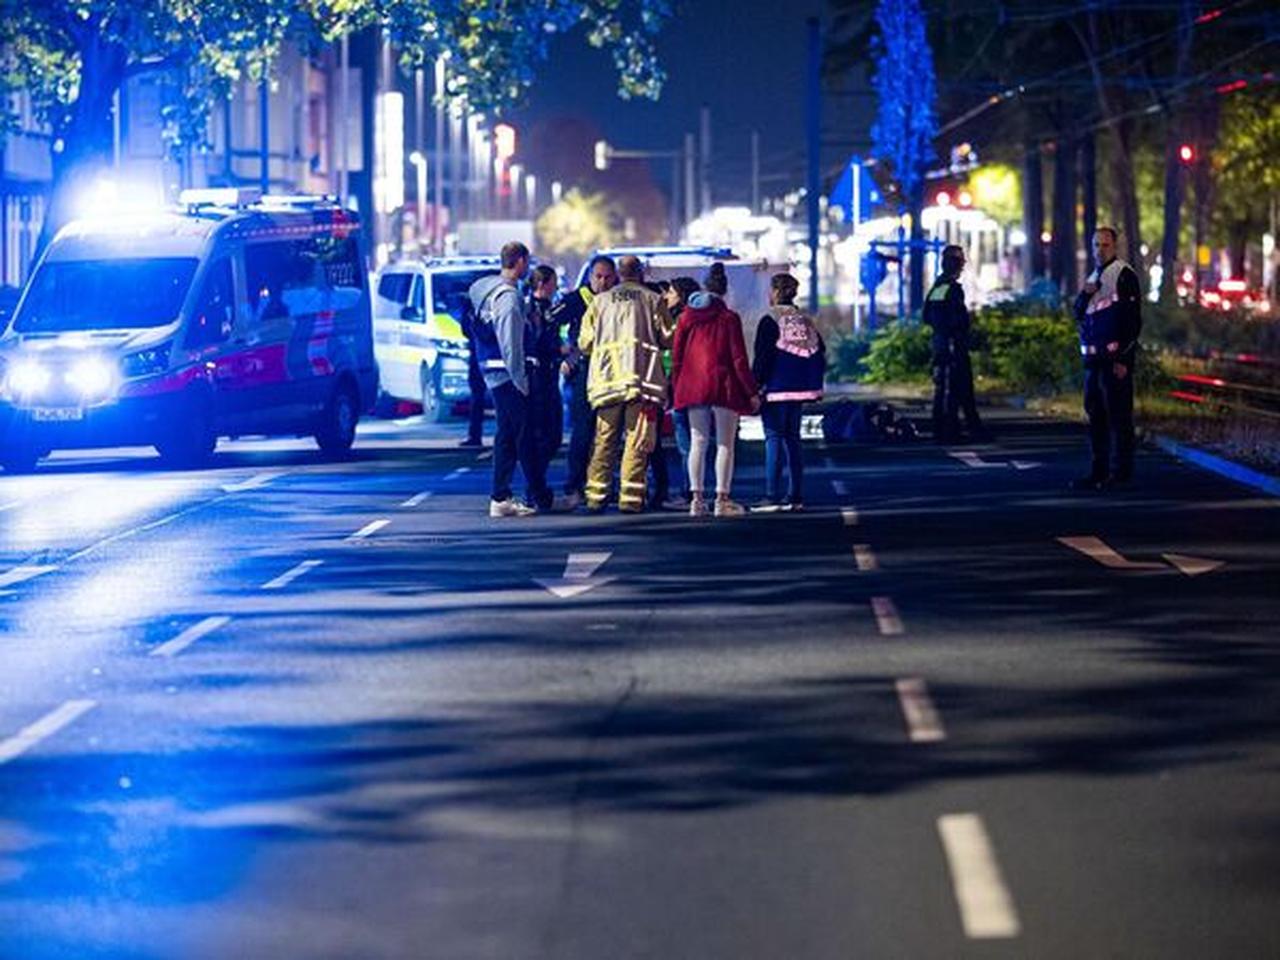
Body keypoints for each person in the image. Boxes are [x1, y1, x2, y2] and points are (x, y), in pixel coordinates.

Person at [578, 255, 675, 513]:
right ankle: (630, 500)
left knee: (604, 441)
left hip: (607, 383)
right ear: (640, 273)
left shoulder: (599, 302)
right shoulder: (653, 300)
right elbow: (668, 339)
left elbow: (584, 343)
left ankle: (596, 497)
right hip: (641, 384)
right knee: (637, 441)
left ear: (619, 274)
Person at [468, 241, 551, 517]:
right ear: (520, 262)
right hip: (507, 377)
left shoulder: (488, 293)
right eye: (527, 262)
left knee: (507, 436)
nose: (528, 268)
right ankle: (537, 495)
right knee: (524, 436)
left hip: (493, 373)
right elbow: (511, 344)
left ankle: (501, 497)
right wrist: (521, 380)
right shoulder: (508, 297)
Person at [671, 262, 759, 518]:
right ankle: (722, 499)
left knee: (697, 442)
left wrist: (677, 386)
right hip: (724, 386)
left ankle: (696, 500)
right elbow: (739, 360)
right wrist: (751, 391)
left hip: (692, 385)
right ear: (724, 291)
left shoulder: (686, 317)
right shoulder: (729, 318)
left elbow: (677, 357)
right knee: (725, 444)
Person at [1072, 227, 1142, 490]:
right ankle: (1098, 471)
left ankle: (1120, 473)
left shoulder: (1123, 275)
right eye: (1096, 245)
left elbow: (1132, 320)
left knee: (1119, 418)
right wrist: (1085, 294)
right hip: (1093, 362)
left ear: (1115, 247)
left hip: (1114, 361)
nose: (1100, 250)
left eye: (1105, 245)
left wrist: (1124, 358)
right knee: (1097, 418)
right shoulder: (1093, 276)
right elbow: (1078, 312)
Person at [751, 272, 825, 512]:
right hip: (801, 388)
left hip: (775, 389)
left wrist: (754, 385)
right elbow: (819, 349)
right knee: (793, 440)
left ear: (774, 292)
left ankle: (772, 494)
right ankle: (795, 495)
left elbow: (763, 358)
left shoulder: (770, 319)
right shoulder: (804, 319)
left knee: (773, 438)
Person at [556, 255, 618, 508]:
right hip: (583, 371)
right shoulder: (574, 300)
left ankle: (602, 484)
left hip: (613, 372)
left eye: (607, 277)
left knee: (608, 433)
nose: (602, 282)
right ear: (590, 276)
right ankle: (574, 486)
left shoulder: (618, 299)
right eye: (598, 276)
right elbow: (549, 324)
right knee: (583, 431)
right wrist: (564, 352)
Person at [924, 244, 988, 442]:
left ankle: (946, 429)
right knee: (956, 389)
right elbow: (955, 320)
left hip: (941, 345)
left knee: (946, 388)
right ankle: (953, 431)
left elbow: (927, 316)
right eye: (960, 261)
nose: (962, 266)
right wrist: (964, 327)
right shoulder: (951, 289)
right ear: (953, 264)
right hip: (954, 347)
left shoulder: (938, 288)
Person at [663, 276, 702, 506]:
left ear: (681, 295)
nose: (667, 296)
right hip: (698, 386)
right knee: (698, 440)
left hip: (681, 387)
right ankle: (694, 490)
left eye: (670, 291)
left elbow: (674, 357)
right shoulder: (698, 319)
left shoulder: (681, 321)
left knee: (687, 443)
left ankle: (689, 492)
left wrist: (667, 384)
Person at [527, 264, 565, 491]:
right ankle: (535, 488)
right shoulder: (533, 309)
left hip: (548, 376)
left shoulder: (548, 307)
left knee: (552, 436)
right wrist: (559, 351)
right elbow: (538, 342)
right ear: (543, 284)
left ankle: (536, 486)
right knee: (546, 436)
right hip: (539, 378)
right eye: (553, 282)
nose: (556, 287)